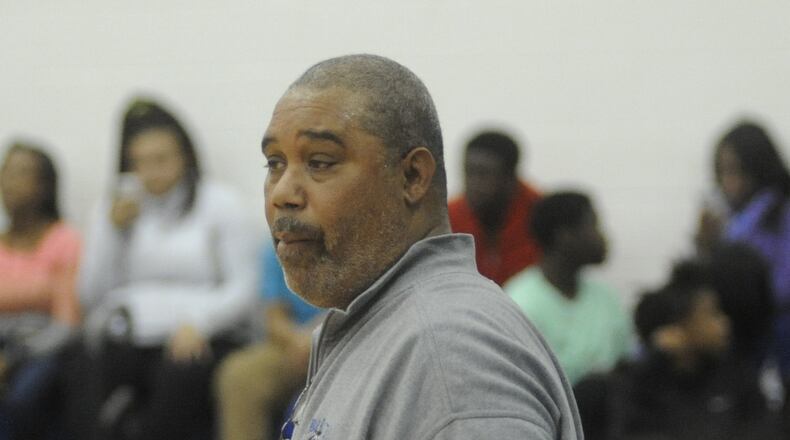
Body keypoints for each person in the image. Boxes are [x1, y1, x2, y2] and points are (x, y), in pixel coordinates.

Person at [261, 54, 581, 439]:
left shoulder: (453, 355)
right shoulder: (387, 319)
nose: (282, 193)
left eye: (321, 162)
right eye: (274, 163)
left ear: (413, 176)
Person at [79, 98, 258, 440]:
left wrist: (200, 323)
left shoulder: (219, 203)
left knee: (178, 375)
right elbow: (90, 294)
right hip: (130, 335)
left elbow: (243, 288)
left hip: (201, 332)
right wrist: (112, 233)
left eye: (161, 159)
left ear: (185, 156)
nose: (151, 171)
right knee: (83, 369)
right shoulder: (115, 209)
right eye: (140, 162)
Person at [608, 261, 782, 440]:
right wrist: (656, 360)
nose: (724, 323)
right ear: (677, 326)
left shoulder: (737, 376)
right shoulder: (641, 384)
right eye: (713, 314)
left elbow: (763, 428)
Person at [695, 121, 790, 388]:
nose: (728, 182)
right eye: (722, 172)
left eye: (735, 171)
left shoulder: (776, 213)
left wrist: (716, 250)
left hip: (774, 336)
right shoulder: (733, 219)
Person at [505, 191, 632, 385]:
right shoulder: (520, 303)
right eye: (593, 225)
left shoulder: (605, 297)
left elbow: (626, 364)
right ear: (564, 235)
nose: (602, 237)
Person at [0, 142, 81, 439]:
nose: (8, 182)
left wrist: (12, 359)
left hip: (44, 349)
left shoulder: (64, 240)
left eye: (21, 173)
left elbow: (68, 325)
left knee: (19, 400)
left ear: (45, 186)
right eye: (5, 172)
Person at [215, 245, 322, 440]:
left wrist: (316, 339)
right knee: (240, 375)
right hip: (292, 346)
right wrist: (297, 341)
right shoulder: (276, 248)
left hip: (344, 339)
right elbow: (274, 316)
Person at [448, 130, 541, 285]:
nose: (473, 184)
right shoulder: (450, 216)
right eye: (468, 172)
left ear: (510, 177)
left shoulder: (540, 216)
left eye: (483, 174)